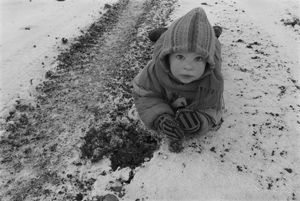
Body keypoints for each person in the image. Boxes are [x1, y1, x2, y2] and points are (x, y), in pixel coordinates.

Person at [132, 7, 224, 152]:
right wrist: (161, 117)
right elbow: (143, 93)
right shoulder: (154, 71)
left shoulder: (211, 82)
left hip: (211, 45)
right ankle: (164, 33)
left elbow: (214, 108)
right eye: (180, 57)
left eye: (198, 58)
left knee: (214, 43)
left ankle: (213, 33)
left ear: (207, 63)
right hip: (168, 40)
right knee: (164, 39)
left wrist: (199, 121)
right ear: (167, 58)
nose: (188, 66)